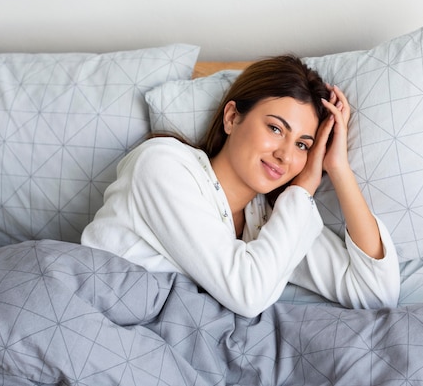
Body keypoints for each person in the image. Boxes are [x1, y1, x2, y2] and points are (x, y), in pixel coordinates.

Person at [81, 55, 400, 317]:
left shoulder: (276, 219)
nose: (285, 154)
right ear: (232, 117)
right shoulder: (163, 165)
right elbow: (248, 294)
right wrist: (303, 190)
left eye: (303, 145)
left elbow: (376, 294)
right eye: (275, 128)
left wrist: (338, 168)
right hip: (89, 321)